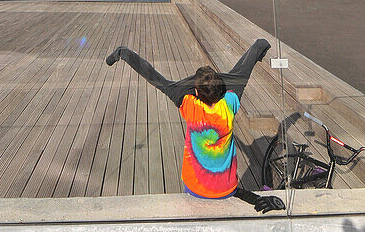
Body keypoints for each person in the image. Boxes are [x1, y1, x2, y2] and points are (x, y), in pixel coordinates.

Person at [105, 39, 285, 213]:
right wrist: (261, 47)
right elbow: (245, 66)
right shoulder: (230, 103)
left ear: (196, 92)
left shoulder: (189, 105)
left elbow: (153, 76)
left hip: (196, 188)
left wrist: (124, 53)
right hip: (226, 188)